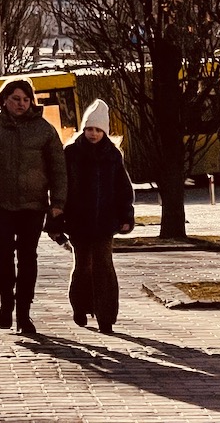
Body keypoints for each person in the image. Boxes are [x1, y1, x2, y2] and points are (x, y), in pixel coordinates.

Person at [0, 78, 66, 334]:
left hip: (33, 206)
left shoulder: (45, 130)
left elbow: (58, 170)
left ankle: (24, 313)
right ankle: (5, 301)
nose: (21, 104)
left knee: (28, 258)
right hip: (0, 205)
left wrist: (58, 204)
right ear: (4, 101)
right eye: (16, 99)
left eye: (26, 99)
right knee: (3, 255)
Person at [60, 99, 135, 335]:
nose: (93, 134)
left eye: (98, 130)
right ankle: (80, 307)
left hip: (104, 222)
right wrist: (55, 220)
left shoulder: (112, 155)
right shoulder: (71, 153)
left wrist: (126, 216)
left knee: (104, 266)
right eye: (89, 129)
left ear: (105, 131)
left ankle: (106, 316)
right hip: (78, 222)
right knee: (83, 266)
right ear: (83, 130)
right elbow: (60, 188)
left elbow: (123, 188)